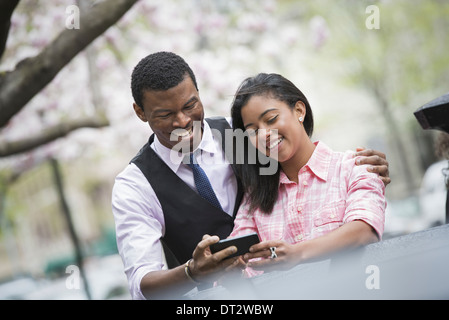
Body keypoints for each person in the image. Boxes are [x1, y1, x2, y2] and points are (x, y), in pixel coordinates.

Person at [112, 52, 390, 299]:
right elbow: (142, 282)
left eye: (189, 106)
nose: (183, 121)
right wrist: (193, 272)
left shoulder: (238, 135)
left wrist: (361, 170)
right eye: (165, 114)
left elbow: (298, 153)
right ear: (140, 112)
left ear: (198, 92)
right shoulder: (136, 184)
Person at [228, 73, 386, 275]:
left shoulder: (354, 167)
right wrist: (225, 264)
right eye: (252, 131)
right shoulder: (255, 199)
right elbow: (238, 263)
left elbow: (365, 229)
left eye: (271, 119)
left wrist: (296, 254)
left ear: (299, 110)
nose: (263, 134)